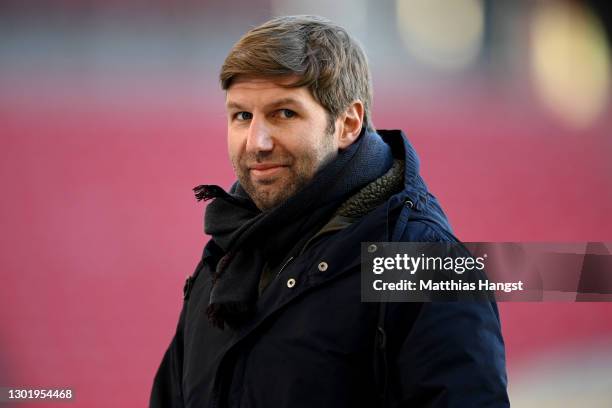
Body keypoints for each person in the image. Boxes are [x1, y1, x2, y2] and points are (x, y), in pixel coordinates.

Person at [150, 15, 509, 408]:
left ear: (348, 123)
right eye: (242, 116)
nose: (257, 142)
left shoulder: (422, 263)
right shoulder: (226, 255)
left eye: (284, 113)